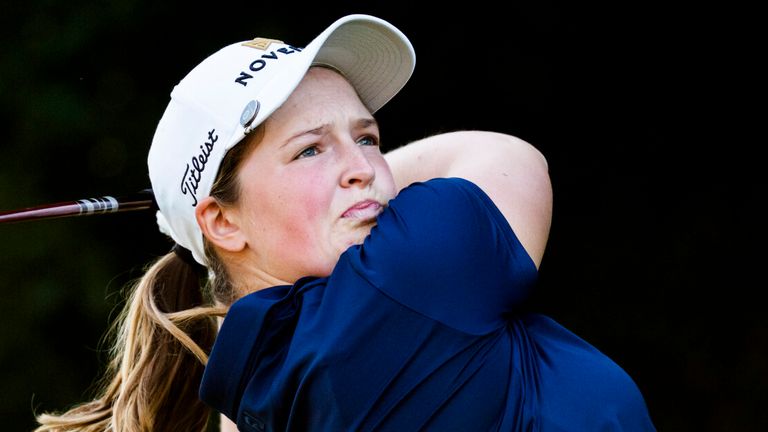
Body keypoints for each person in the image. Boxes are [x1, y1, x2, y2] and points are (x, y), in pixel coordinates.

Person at [34, 14, 656, 432]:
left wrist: (278, 198)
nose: (364, 168)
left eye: (366, 138)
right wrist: (362, 195)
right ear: (221, 223)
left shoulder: (245, 392)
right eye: (310, 150)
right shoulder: (404, 283)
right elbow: (506, 157)